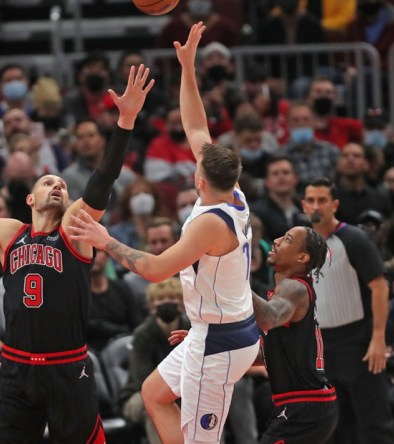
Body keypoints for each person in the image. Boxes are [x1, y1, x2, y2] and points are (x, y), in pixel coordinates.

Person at [0, 64, 155, 443]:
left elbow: (102, 180)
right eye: (49, 182)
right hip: (15, 367)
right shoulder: (8, 231)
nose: (58, 187)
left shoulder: (74, 228)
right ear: (31, 198)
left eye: (62, 184)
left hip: (67, 367)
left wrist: (125, 120)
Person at [68, 23, 260, 444]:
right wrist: (187, 68)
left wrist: (105, 240)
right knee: (154, 394)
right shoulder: (232, 189)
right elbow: (195, 125)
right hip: (212, 328)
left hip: (221, 343)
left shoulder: (212, 222)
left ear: (200, 180)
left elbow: (155, 271)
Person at [303, 177, 394, 444]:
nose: (316, 206)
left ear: (335, 204)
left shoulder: (354, 239)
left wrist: (378, 338)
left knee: (374, 422)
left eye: (322, 200)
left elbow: (380, 287)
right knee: (335, 425)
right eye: (311, 200)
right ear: (303, 205)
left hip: (359, 341)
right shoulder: (301, 244)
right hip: (322, 344)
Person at [241, 226, 336, 444]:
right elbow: (269, 355)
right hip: (305, 404)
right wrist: (204, 341)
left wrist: (237, 281)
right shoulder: (287, 292)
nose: (275, 240)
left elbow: (267, 318)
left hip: (305, 404)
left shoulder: (295, 288)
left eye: (287, 240)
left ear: (302, 257)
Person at [120, 278, 190, 444]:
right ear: (152, 307)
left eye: (172, 299)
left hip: (182, 391)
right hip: (137, 395)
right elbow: (143, 379)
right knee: (154, 401)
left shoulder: (190, 328)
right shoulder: (142, 334)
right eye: (160, 300)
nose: (166, 303)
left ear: (181, 304)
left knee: (205, 398)